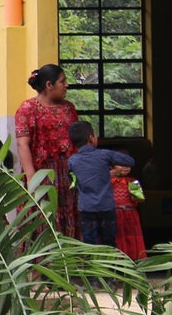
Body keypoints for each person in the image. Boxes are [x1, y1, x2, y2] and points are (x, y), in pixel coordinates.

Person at [15, 64, 80, 237]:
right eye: (62, 81)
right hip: (42, 176)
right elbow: (23, 144)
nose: (66, 85)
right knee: (45, 220)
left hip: (67, 176)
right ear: (49, 85)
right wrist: (31, 178)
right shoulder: (28, 108)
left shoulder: (69, 108)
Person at [67, 120, 134, 248]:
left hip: (86, 208)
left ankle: (91, 267)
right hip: (106, 207)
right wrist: (113, 169)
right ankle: (109, 267)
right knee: (109, 243)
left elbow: (73, 182)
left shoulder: (72, 161)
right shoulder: (104, 155)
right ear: (91, 138)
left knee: (90, 243)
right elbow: (130, 161)